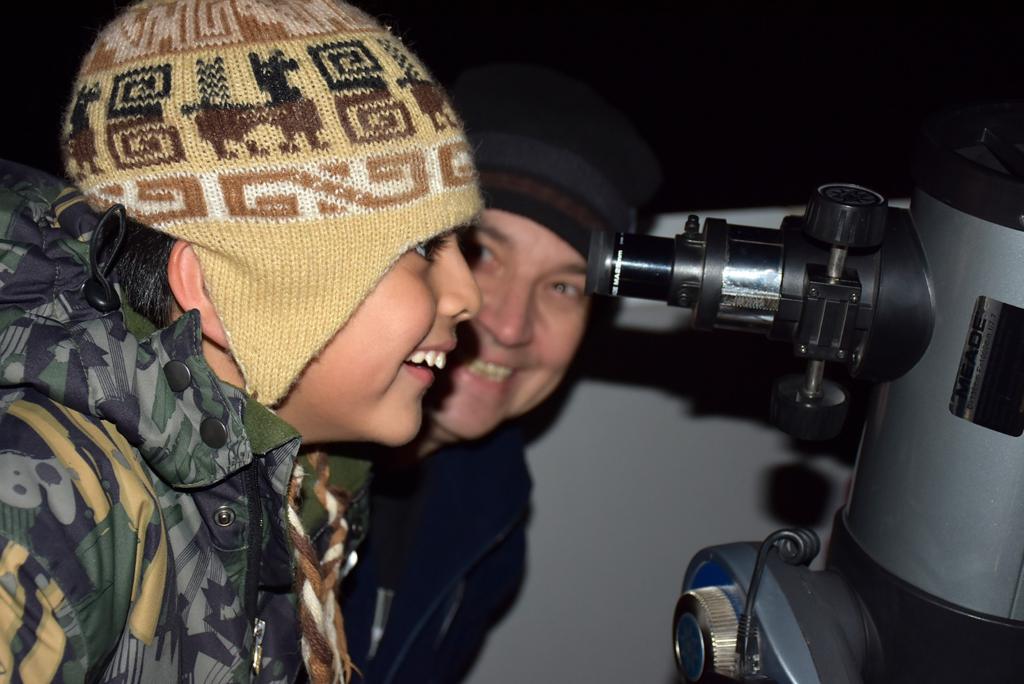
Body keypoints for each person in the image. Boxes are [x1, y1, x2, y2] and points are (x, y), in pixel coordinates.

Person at [0, 1, 483, 682]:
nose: (469, 296)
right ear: (227, 293)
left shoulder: (307, 494)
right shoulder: (54, 505)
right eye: (421, 246)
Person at [342, 63, 661, 682]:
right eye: (483, 252)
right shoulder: (263, 472)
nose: (511, 327)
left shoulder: (493, 514)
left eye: (563, 286)